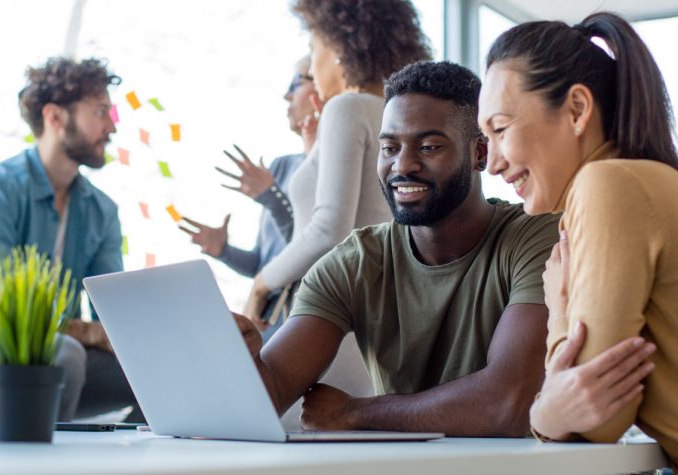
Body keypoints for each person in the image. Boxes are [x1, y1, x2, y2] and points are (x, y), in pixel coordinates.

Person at [233, 61, 560, 436]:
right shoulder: (354, 262)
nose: (402, 165)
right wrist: (244, 359)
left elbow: (509, 404)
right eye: (389, 147)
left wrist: (356, 413)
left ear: (480, 153)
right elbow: (271, 391)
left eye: (429, 146)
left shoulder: (537, 237)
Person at [479, 12, 678, 473]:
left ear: (577, 110)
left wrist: (558, 310)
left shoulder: (606, 185)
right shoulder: (652, 183)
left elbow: (597, 418)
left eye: (501, 130)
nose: (493, 165)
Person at [0, 57, 142, 422]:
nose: (112, 127)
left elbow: (115, 319)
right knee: (65, 352)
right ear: (55, 117)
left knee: (166, 365)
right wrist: (87, 332)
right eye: (101, 112)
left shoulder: (101, 210)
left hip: (64, 361)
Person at [242, 0, 432, 327]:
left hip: (327, 315)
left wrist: (261, 283)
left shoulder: (347, 108)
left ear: (338, 45)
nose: (313, 70)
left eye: (313, 48)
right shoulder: (393, 114)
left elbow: (329, 229)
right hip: (370, 311)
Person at [179, 56, 317, 341]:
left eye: (296, 82)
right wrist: (224, 251)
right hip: (266, 321)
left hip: (301, 320)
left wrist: (271, 198)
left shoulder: (330, 170)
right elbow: (262, 264)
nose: (286, 94)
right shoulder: (280, 167)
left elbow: (312, 247)